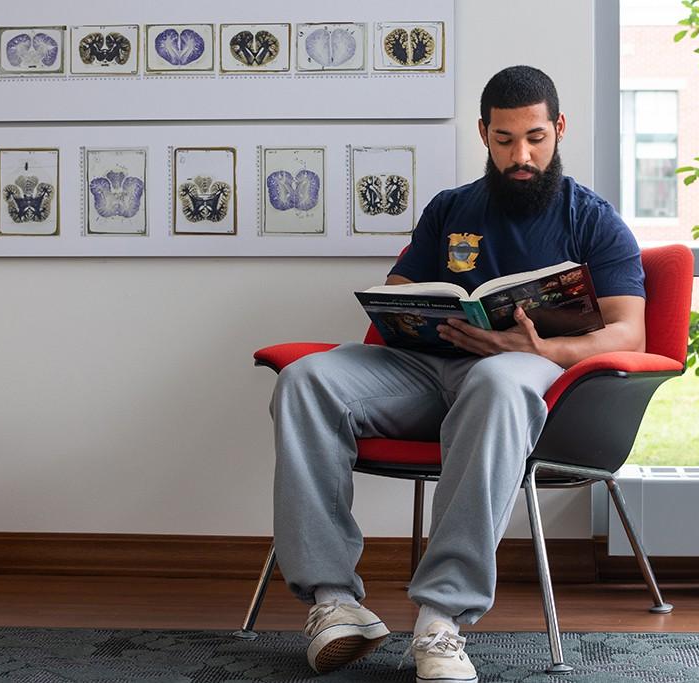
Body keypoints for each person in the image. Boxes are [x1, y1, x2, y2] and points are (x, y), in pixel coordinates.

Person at [270, 65, 646, 683]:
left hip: (518, 382)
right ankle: (335, 604)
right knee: (308, 379)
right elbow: (397, 293)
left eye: (535, 138)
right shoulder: (450, 209)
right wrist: (419, 311)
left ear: (559, 129)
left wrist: (534, 349)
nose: (521, 155)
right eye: (504, 140)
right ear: (483, 133)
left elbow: (628, 332)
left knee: (498, 380)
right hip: (426, 373)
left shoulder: (594, 221)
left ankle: (440, 620)